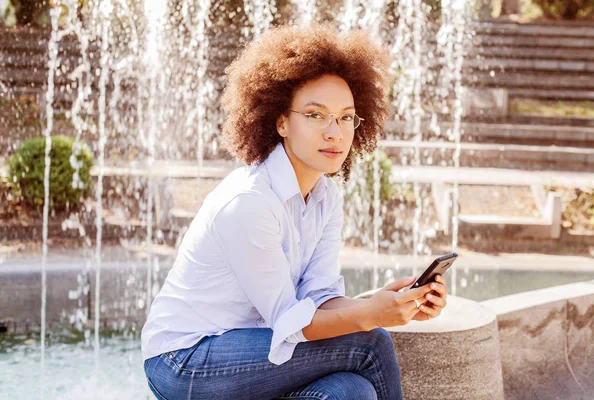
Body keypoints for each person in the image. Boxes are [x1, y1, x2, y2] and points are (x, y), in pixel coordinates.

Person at [141, 22, 448, 400]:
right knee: (371, 344)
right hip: (185, 360)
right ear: (281, 121)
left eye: (346, 117)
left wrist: (385, 304)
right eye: (316, 115)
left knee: (351, 392)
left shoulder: (325, 197)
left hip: (259, 350)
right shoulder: (249, 202)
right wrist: (372, 317)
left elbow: (319, 298)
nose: (335, 132)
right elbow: (291, 322)